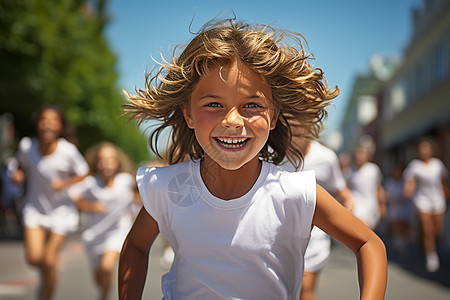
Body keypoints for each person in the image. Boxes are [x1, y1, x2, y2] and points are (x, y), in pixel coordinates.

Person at [118, 19, 387, 300]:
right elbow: (136, 246)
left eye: (251, 105)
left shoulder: (296, 194)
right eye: (213, 104)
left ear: (272, 116)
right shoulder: (167, 186)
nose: (232, 120)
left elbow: (369, 244)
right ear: (188, 114)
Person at [10, 105, 89, 300]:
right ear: (38, 123)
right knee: (35, 259)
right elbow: (19, 164)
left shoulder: (67, 150)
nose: (48, 125)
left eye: (54, 121)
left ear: (61, 126)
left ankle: (46, 296)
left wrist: (65, 182)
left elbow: (84, 171)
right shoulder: (27, 146)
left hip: (61, 212)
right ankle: (47, 277)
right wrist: (17, 173)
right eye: (44, 120)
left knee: (49, 259)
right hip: (35, 209)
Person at [280, 134, 354, 300]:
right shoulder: (269, 152)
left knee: (304, 291)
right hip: (276, 236)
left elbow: (343, 193)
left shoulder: (326, 157)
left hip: (313, 239)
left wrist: (345, 210)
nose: (295, 125)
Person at [69, 142, 139, 300]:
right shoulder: (91, 183)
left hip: (117, 232)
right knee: (98, 277)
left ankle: (103, 297)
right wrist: (91, 206)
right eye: (102, 160)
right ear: (96, 163)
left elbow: (140, 193)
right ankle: (103, 291)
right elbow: (76, 199)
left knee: (106, 267)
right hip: (94, 235)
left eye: (110, 159)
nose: (106, 163)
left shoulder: (125, 180)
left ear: (117, 162)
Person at [403, 138, 448, 272]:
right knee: (428, 230)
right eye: (421, 149)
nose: (423, 151)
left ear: (431, 151)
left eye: (426, 148)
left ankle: (423, 242)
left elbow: (443, 182)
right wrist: (408, 190)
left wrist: (446, 194)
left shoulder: (437, 164)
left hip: (437, 200)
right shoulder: (415, 166)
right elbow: (409, 182)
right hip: (422, 200)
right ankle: (431, 256)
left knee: (438, 231)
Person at [347, 145, 386, 230]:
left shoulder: (373, 169)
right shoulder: (349, 172)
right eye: (357, 153)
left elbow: (378, 188)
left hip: (372, 207)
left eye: (361, 153)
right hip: (357, 208)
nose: (359, 156)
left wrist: (382, 204)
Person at [384, 164, 411, 255]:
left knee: (404, 227)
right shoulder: (389, 182)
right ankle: (398, 244)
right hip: (394, 209)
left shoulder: (404, 182)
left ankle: (404, 243)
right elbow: (387, 196)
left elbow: (407, 193)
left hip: (404, 209)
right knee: (396, 227)